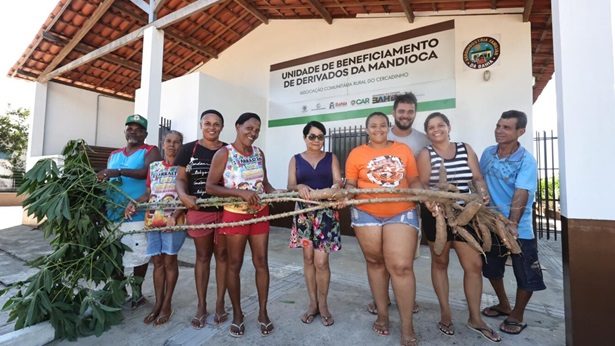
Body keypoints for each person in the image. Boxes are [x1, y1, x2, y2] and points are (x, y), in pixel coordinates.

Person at [417, 112, 501, 342]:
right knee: (440, 261)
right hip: (437, 214)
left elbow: (477, 177)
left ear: (448, 126)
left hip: (467, 212)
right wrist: (432, 202)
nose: (437, 130)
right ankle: (445, 312)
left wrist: (481, 191)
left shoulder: (465, 148)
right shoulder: (425, 154)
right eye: (431, 127)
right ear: (427, 132)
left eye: (440, 125)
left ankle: (475, 317)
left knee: (473, 265)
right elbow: (423, 183)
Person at [345, 112, 422, 346]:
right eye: (373, 126)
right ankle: (383, 314)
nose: (378, 129)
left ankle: (407, 327)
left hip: (401, 211)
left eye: (382, 125)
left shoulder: (403, 150)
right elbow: (350, 183)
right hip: (366, 212)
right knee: (376, 263)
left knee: (401, 267)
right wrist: (346, 193)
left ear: (388, 127)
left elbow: (414, 179)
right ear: (366, 129)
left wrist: (423, 194)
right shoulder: (356, 153)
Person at [206, 112, 278, 338]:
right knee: (234, 265)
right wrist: (239, 192)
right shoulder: (223, 153)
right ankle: (237, 314)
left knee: (261, 262)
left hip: (259, 214)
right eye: (249, 128)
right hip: (235, 215)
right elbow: (210, 187)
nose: (253, 133)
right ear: (237, 127)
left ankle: (263, 312)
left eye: (257, 130)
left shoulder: (259, 153)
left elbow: (263, 183)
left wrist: (277, 193)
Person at [479, 110, 546, 335]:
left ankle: (517, 313)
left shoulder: (526, 160)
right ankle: (503, 304)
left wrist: (513, 223)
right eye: (498, 125)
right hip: (491, 223)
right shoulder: (488, 154)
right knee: (491, 269)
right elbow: (479, 181)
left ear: (520, 132)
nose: (499, 130)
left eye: (506, 127)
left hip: (519, 226)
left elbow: (521, 192)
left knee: (526, 272)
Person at [367, 92, 430, 315]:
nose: (405, 115)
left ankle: (404, 297)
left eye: (410, 111)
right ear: (394, 113)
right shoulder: (379, 133)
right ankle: (381, 299)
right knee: (380, 259)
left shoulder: (423, 140)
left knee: (404, 260)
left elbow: (420, 176)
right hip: (375, 210)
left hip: (409, 208)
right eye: (401, 111)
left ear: (415, 113)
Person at [96, 114, 161, 309]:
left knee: (138, 255)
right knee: (114, 255)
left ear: (145, 133)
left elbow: (149, 173)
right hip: (112, 213)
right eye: (130, 128)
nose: (134, 132)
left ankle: (137, 293)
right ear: (125, 131)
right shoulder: (114, 154)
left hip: (136, 213)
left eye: (138, 129)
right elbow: (107, 180)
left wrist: (119, 172)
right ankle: (120, 291)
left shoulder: (151, 151)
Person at [125, 130, 185, 326]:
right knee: (157, 263)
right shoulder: (155, 167)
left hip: (173, 222)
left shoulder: (184, 168)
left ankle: (167, 304)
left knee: (170, 262)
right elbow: (149, 193)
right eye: (168, 141)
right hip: (153, 220)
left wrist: (174, 217)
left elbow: (186, 197)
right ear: (162, 143)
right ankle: (157, 304)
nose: (172, 145)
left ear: (181, 145)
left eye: (177, 142)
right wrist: (135, 202)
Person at [175, 110, 228, 329]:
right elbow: (180, 179)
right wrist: (184, 196)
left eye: (216, 124)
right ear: (200, 125)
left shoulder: (228, 150)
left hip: (226, 211)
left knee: (223, 257)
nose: (212, 127)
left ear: (222, 127)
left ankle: (220, 303)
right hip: (199, 210)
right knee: (203, 257)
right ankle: (201, 305)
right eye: (207, 123)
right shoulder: (188, 149)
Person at [287, 121, 342, 327]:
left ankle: (324, 304)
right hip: (304, 216)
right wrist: (299, 186)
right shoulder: (295, 159)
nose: (316, 140)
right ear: (305, 138)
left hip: (326, 215)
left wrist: (336, 187)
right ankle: (312, 304)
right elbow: (290, 185)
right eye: (312, 136)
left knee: (321, 262)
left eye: (320, 137)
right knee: (308, 259)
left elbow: (338, 181)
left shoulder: (331, 158)